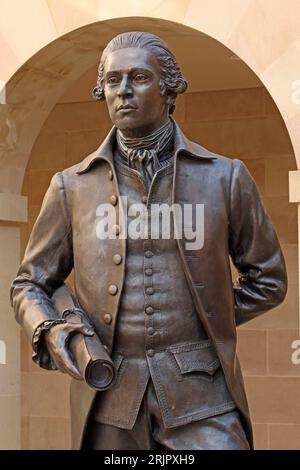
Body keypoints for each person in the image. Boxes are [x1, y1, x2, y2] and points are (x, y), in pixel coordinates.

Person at [10, 32, 287, 450]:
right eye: (112, 80)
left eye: (138, 77)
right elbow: (29, 283)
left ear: (169, 88)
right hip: (109, 398)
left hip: (203, 396)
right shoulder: (70, 187)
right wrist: (50, 329)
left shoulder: (224, 177)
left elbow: (269, 280)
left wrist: (208, 313)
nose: (122, 91)